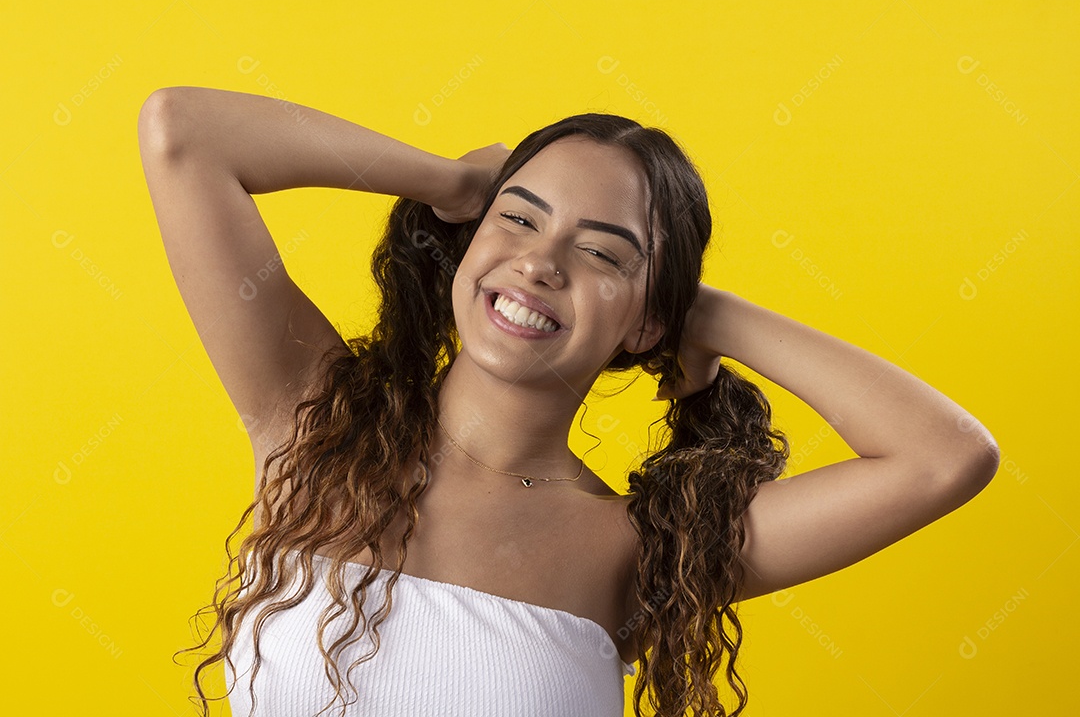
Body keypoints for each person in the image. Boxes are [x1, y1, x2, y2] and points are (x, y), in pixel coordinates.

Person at [137, 86, 1000, 717]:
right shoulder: (313, 422)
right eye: (520, 220)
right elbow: (182, 133)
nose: (541, 263)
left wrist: (702, 311)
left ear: (646, 319)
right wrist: (449, 182)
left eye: (602, 254)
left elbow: (944, 455)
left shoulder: (640, 546)